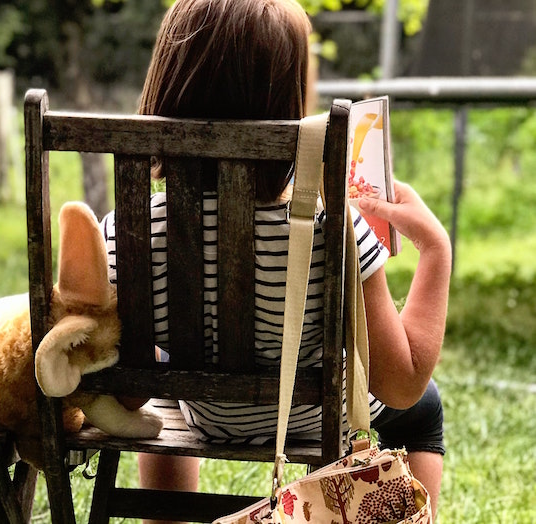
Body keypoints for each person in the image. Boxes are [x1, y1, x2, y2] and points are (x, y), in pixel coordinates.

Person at [99, 0, 451, 521]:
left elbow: (131, 392)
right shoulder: (339, 230)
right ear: (289, 104)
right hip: (316, 417)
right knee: (424, 408)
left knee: (166, 385)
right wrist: (436, 251)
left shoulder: (127, 232)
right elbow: (400, 385)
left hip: (208, 413)